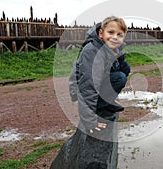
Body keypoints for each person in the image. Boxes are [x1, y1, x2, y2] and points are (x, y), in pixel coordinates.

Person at [50, 16, 130, 169]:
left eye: (119, 35)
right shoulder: (92, 51)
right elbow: (88, 86)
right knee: (119, 78)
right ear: (101, 34)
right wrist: (89, 120)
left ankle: (106, 102)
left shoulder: (112, 50)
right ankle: (101, 106)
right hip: (84, 87)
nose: (115, 37)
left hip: (97, 83)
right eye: (111, 32)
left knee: (124, 68)